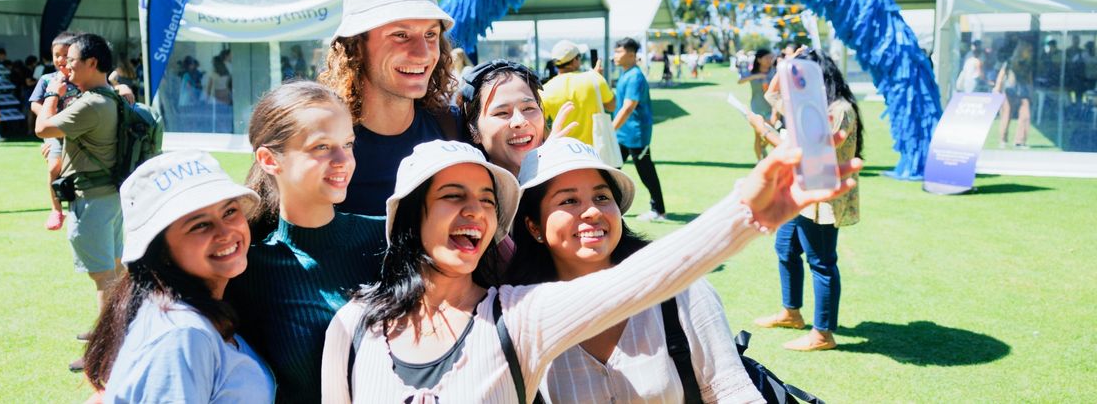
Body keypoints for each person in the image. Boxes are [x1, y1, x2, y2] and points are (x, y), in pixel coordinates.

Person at [322, 139, 861, 402]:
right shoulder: (351, 328)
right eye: (453, 196)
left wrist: (748, 211)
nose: (475, 212)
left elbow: (648, 277)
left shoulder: (518, 316)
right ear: (412, 214)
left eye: (487, 200)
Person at [505, 139, 762, 403]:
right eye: (569, 200)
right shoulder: (519, 319)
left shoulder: (680, 289)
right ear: (534, 226)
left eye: (602, 197)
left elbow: (734, 393)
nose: (592, 211)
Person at [225, 81, 386, 401]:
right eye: (322, 147)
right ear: (270, 160)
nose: (344, 159)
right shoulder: (247, 270)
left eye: (349, 144)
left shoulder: (388, 238)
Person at [82, 150, 274, 402]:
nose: (225, 232)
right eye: (199, 225)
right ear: (160, 251)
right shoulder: (182, 335)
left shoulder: (184, 311)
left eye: (229, 212)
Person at [319, 0, 461, 215]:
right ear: (356, 46)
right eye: (401, 35)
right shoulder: (314, 145)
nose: (423, 54)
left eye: (430, 35)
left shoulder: (455, 129)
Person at [752, 49, 862, 352]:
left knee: (822, 262)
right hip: (801, 193)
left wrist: (764, 130)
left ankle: (823, 334)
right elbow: (774, 95)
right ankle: (792, 313)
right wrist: (787, 65)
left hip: (824, 197)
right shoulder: (811, 105)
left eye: (799, 74)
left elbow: (808, 152)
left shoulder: (839, 109)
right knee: (785, 249)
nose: (793, 81)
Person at [34, 33, 125, 371]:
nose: (66, 65)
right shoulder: (110, 97)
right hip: (110, 198)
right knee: (114, 272)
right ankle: (114, 332)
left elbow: (43, 128)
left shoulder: (90, 104)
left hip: (93, 202)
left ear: (92, 63)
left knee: (103, 277)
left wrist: (52, 95)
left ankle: (106, 353)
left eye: (72, 59)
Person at [29, 31, 82, 231]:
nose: (60, 59)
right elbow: (34, 103)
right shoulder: (47, 79)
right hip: (55, 134)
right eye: (56, 55)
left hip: (78, 134)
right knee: (54, 169)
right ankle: (56, 210)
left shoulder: (81, 79)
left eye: (65, 54)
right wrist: (47, 116)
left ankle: (76, 207)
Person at [611, 38, 668, 222]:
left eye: (619, 52)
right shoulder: (625, 74)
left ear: (631, 54)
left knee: (646, 172)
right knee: (610, 171)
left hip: (636, 134)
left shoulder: (635, 76)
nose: (615, 56)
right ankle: (610, 209)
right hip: (622, 134)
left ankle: (658, 210)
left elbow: (628, 107)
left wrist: (611, 129)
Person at [540, 40, 615, 146]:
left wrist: (552, 143)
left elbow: (540, 124)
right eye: (579, 56)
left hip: (565, 152)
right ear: (575, 60)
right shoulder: (594, 79)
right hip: (595, 152)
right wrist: (599, 77)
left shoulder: (545, 89)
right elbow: (611, 106)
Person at [994, 39, 1034, 149]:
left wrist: (1030, 93)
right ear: (1022, 50)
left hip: (1023, 91)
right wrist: (997, 88)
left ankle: (1020, 141)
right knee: (1007, 114)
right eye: (1028, 50)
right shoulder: (1011, 62)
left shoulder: (1028, 63)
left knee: (1025, 115)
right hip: (1010, 89)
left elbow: (1029, 79)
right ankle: (1003, 139)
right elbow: (1002, 74)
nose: (1031, 52)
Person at [739, 48, 778, 160]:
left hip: (772, 108)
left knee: (770, 134)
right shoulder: (752, 72)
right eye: (767, 58)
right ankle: (759, 161)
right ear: (759, 59)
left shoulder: (774, 71)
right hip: (757, 107)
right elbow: (740, 81)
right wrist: (757, 76)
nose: (770, 60)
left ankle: (763, 150)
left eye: (771, 57)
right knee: (758, 135)